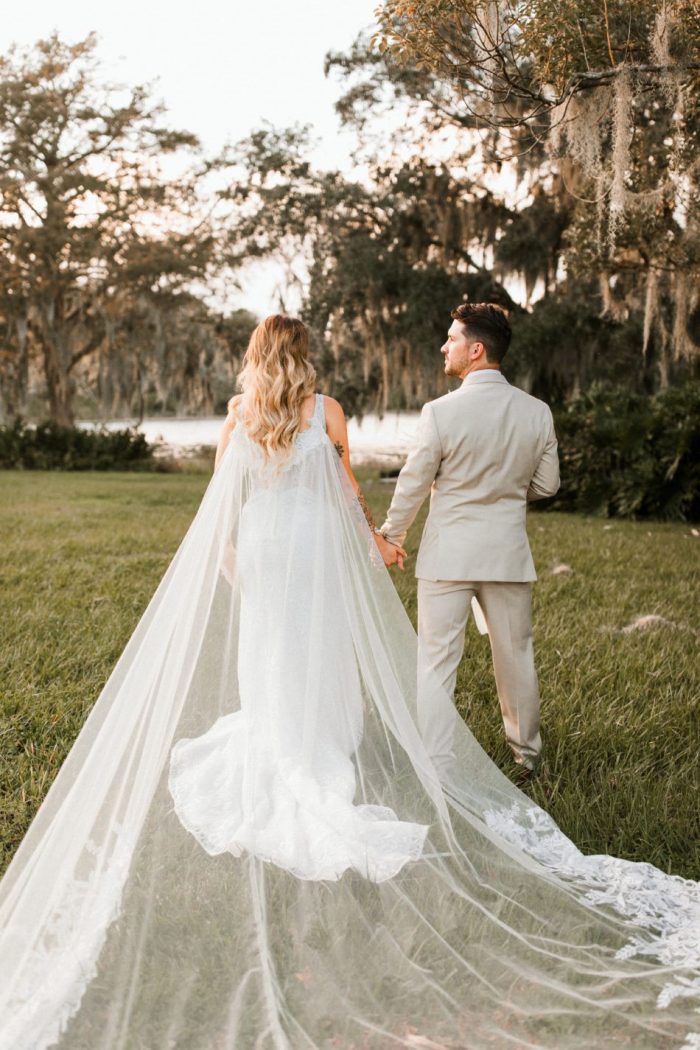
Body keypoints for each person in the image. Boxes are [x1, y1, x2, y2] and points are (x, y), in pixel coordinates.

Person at [0, 314, 697, 1050]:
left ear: (253, 358)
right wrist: (374, 543)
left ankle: (280, 736)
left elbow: (221, 508)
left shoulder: (240, 414)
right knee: (320, 645)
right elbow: (344, 492)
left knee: (269, 647)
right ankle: (326, 749)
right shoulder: (327, 410)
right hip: (312, 544)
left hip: (267, 545)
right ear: (302, 356)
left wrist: (240, 566)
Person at [377, 303, 559, 781]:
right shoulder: (537, 412)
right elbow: (547, 486)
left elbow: (414, 483)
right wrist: (506, 489)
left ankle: (436, 764)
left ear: (476, 350)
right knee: (515, 656)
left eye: (452, 339)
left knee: (437, 660)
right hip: (507, 554)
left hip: (448, 556)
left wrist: (392, 534)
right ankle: (528, 758)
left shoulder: (439, 412)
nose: (445, 346)